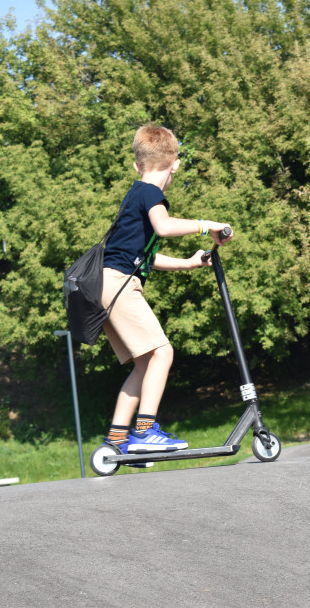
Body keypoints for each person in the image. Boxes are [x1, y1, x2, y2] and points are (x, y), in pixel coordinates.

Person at [100, 125, 232, 465]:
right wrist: (208, 225)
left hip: (108, 284)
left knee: (145, 363)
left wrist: (188, 264)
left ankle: (117, 440)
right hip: (118, 285)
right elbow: (164, 227)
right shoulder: (149, 194)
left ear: (137, 164)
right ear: (175, 165)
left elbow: (144, 255)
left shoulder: (135, 194)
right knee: (163, 352)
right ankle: (144, 433)